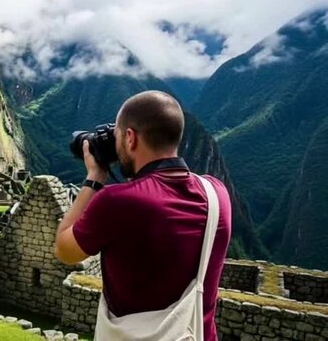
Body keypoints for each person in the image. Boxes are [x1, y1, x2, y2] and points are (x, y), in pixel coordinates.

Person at [54, 90, 231, 340]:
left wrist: (94, 178)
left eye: (117, 136)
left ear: (130, 138)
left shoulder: (115, 202)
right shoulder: (218, 194)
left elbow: (64, 250)